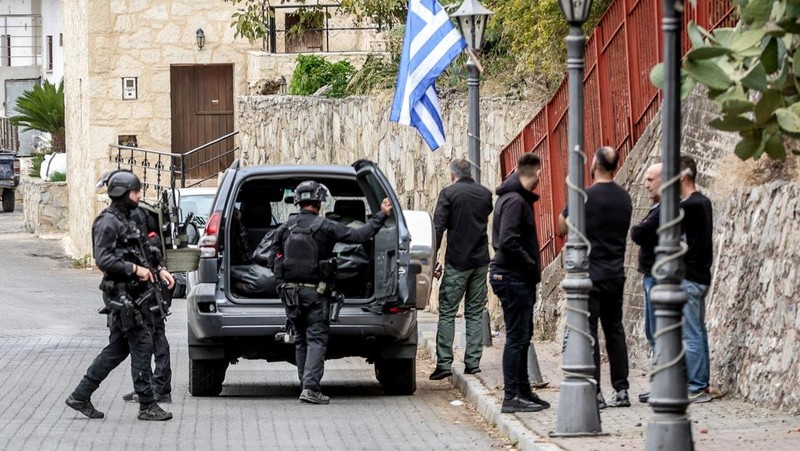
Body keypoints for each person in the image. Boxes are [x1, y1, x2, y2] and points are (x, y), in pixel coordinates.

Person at [267, 181, 392, 404]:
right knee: (316, 339)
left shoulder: (285, 227)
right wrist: (381, 215)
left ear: (298, 202)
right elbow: (360, 236)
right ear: (319, 202)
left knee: (300, 339)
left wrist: (281, 283)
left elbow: (271, 258)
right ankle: (311, 388)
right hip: (316, 294)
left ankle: (305, 385)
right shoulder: (325, 226)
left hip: (289, 295)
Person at [65, 170, 174, 421]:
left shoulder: (131, 218)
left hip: (137, 295)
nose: (138, 196)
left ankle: (80, 395)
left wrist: (159, 270)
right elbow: (103, 259)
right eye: (135, 192)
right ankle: (147, 405)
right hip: (122, 295)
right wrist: (135, 270)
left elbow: (143, 252)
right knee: (143, 344)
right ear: (123, 193)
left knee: (117, 349)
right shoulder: (107, 222)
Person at [557, 147, 632, 409]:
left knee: (589, 334)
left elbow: (561, 225)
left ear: (595, 165)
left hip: (590, 275)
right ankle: (622, 390)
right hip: (616, 273)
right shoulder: (625, 198)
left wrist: (573, 198)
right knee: (615, 331)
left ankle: (595, 391)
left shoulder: (585, 198)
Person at [489, 153, 550, 414]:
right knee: (516, 337)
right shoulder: (514, 201)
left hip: (514, 276)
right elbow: (508, 242)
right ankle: (511, 395)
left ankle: (523, 391)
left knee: (523, 336)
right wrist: (529, 264)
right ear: (537, 174)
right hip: (513, 277)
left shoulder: (512, 198)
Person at [429, 159, 493, 381]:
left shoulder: (449, 194)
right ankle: (472, 362)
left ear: (452, 175)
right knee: (475, 312)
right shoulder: (485, 195)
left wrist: (432, 260)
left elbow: (438, 228)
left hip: (457, 263)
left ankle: (444, 363)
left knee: (447, 312)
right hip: (480, 262)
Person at [120, 205, 173, 404]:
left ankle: (160, 387)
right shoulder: (136, 213)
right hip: (148, 284)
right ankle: (150, 385)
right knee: (150, 335)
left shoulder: (138, 215)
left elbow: (149, 249)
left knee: (156, 334)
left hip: (153, 286)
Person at [679, 156, 713, 404]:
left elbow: (689, 245)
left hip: (690, 276)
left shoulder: (690, 206)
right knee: (699, 332)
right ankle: (702, 382)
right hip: (702, 275)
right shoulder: (704, 202)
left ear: (682, 176)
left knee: (691, 333)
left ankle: (697, 385)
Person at [630, 162, 661, 404]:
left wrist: (638, 229)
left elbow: (639, 232)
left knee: (659, 332)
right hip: (653, 275)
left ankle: (663, 384)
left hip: (659, 277)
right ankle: (661, 382)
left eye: (651, 179)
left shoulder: (664, 209)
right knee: (653, 332)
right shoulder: (658, 207)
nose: (646, 184)